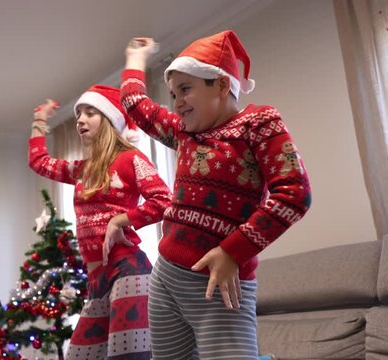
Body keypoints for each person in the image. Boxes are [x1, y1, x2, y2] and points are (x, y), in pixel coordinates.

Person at [120, 30, 312, 359]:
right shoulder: (183, 131)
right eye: (172, 94)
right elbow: (135, 104)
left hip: (218, 284)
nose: (177, 101)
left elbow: (295, 193)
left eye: (185, 89)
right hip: (165, 276)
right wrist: (135, 59)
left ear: (221, 85)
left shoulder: (258, 123)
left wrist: (233, 251)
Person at [28, 84, 172, 359]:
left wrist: (120, 220)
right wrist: (39, 120)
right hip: (97, 278)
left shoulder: (130, 159)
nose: (80, 119)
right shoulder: (83, 170)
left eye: (90, 112)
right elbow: (39, 162)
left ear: (108, 120)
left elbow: (164, 200)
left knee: (128, 356)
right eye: (78, 114)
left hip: (128, 269)